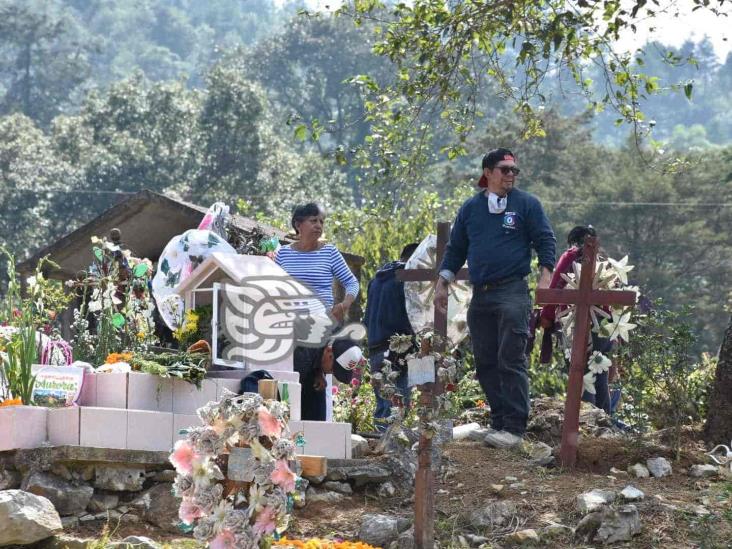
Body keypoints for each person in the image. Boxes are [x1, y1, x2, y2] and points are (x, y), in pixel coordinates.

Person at [435, 148, 556, 449]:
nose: (511, 175)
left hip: (513, 291)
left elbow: (545, 239)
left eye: (514, 170)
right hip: (481, 294)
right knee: (486, 361)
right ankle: (499, 422)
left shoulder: (527, 204)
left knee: (511, 357)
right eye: (505, 170)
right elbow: (456, 248)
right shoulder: (470, 208)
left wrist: (546, 274)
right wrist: (442, 281)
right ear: (488, 172)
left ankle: (515, 428)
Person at [539, 225, 614, 414]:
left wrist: (546, 316)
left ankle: (585, 414)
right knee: (599, 368)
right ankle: (603, 415)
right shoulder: (603, 261)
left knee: (580, 370)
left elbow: (556, 287)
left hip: (575, 321)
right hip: (604, 323)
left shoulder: (570, 256)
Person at [363, 243, 419, 431]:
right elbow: (414, 315)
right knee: (397, 404)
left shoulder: (377, 279)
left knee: (383, 405)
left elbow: (367, 317)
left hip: (375, 346)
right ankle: (390, 452)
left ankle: (381, 449)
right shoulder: (406, 278)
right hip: (398, 349)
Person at [275, 202, 360, 322]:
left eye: (321, 222)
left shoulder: (330, 252)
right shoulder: (283, 253)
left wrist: (344, 305)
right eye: (313, 221)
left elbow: (352, 282)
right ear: (298, 224)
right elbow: (273, 287)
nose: (319, 225)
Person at [294, 339, 365, 421]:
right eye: (332, 369)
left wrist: (318, 371)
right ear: (328, 351)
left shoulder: (319, 353)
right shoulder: (302, 359)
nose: (330, 373)